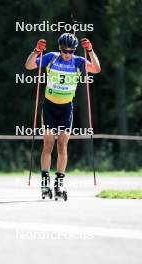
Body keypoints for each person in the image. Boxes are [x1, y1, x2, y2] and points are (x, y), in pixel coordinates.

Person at [25, 33, 100, 200]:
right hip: (50, 107)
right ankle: (45, 183)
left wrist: (90, 50)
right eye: (65, 50)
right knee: (48, 144)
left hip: (66, 108)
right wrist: (37, 51)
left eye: (71, 51)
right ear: (60, 48)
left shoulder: (79, 61)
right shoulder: (51, 58)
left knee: (62, 145)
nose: (67, 54)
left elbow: (96, 69)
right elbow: (29, 65)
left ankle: (59, 184)